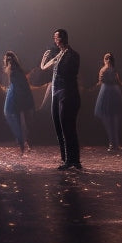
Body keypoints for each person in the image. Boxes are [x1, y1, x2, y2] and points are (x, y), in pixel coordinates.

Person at [40, 29, 82, 170]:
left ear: (62, 38)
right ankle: (66, 159)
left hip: (67, 93)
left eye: (56, 37)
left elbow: (68, 72)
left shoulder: (72, 55)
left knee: (67, 128)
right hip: (56, 93)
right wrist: (45, 58)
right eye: (54, 38)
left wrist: (57, 60)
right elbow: (44, 68)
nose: (55, 40)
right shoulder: (60, 54)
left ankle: (73, 160)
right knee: (59, 127)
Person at [1, 51, 35, 155]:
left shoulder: (13, 70)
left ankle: (22, 142)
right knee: (20, 119)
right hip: (20, 95)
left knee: (12, 115)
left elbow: (18, 85)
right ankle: (23, 143)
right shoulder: (17, 70)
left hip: (17, 95)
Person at [93, 52, 122, 152]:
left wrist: (91, 89)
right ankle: (115, 143)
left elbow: (100, 82)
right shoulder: (114, 70)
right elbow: (119, 82)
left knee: (108, 120)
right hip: (114, 92)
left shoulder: (103, 69)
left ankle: (112, 143)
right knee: (114, 120)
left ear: (105, 60)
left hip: (106, 93)